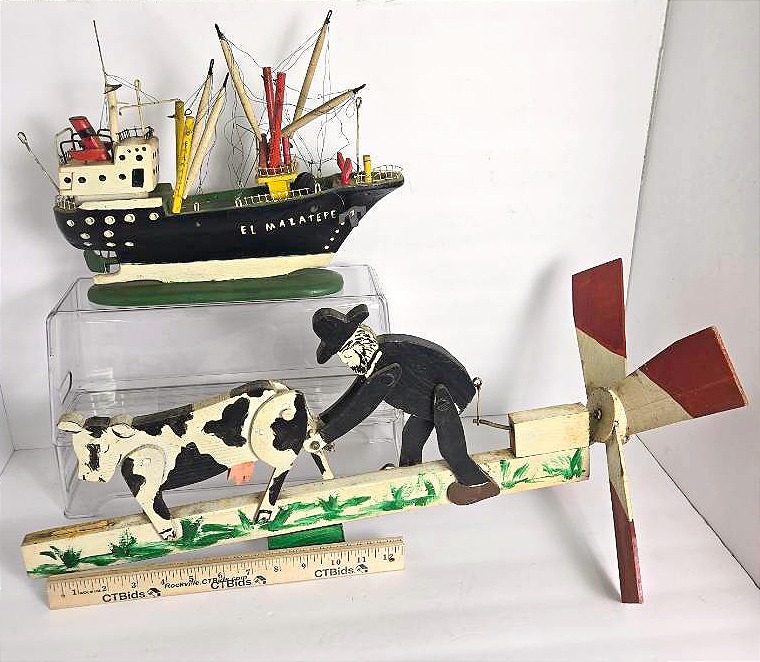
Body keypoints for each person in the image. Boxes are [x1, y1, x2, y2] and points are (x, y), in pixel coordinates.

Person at [310, 304, 499, 505]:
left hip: (446, 397)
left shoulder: (386, 368)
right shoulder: (376, 362)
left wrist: (324, 437)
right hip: (424, 401)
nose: (347, 362)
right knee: (411, 437)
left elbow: (362, 406)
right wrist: (323, 422)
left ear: (359, 346)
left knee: (451, 448)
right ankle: (410, 475)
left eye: (347, 355)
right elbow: (354, 394)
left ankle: (477, 483)